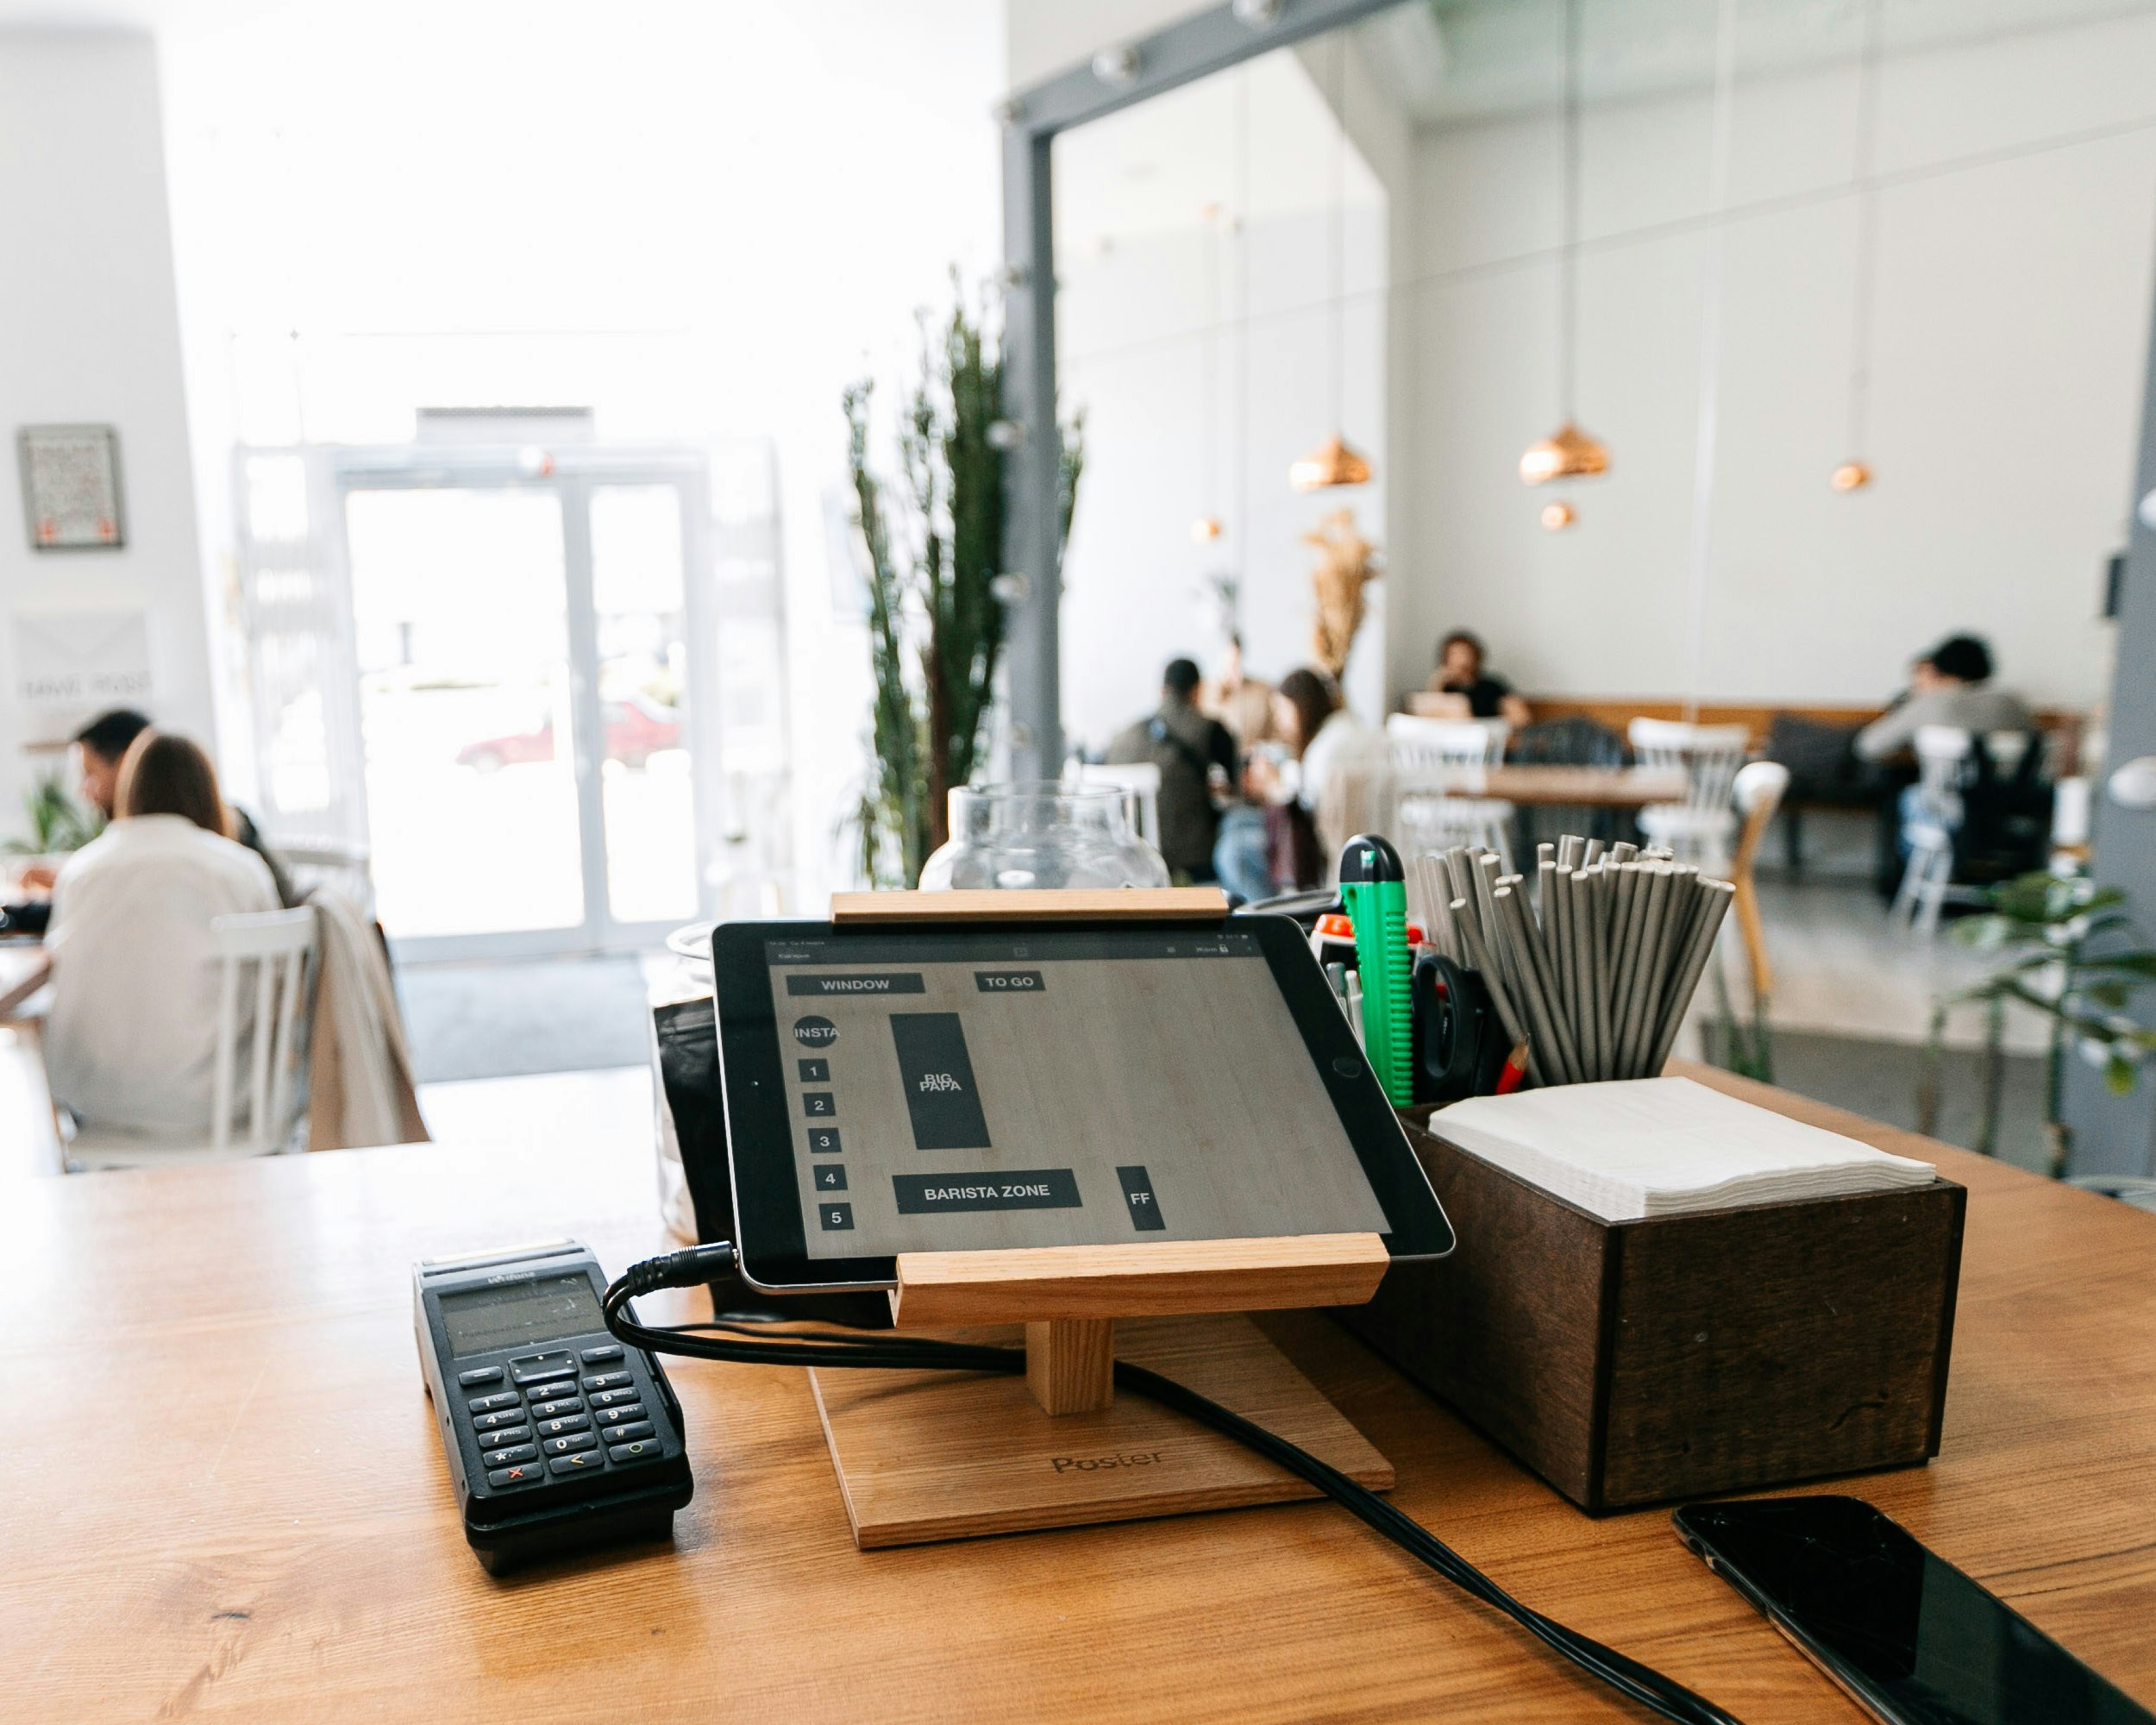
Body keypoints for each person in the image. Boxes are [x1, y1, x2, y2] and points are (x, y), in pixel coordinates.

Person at [43, 731, 284, 1142]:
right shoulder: (240, 868)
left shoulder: (80, 872)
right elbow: (280, 993)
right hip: (220, 1106)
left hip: (98, 1108)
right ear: (208, 793)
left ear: (130, 791)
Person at [15, 708, 295, 906]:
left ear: (130, 763)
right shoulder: (238, 863)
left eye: (90, 774)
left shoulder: (232, 847)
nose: (83, 791)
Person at [1105, 658, 1238, 882]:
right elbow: (1237, 784)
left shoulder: (1122, 737)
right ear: (1197, 691)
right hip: (1193, 860)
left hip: (1132, 860)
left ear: (1162, 691)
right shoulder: (1210, 729)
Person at [1249, 668, 1366, 891]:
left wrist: (1273, 785)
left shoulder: (1324, 749)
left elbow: (1308, 808)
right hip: (1343, 839)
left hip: (1320, 847)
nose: (1278, 720)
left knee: (1234, 848)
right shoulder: (1344, 727)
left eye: (1281, 710)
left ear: (1299, 706)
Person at [1854, 635, 2033, 762]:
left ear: (1940, 668)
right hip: (2012, 805)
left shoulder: (1930, 703)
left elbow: (1868, 746)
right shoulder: (2012, 703)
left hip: (1942, 807)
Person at [1424, 630, 1532, 729]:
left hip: (1488, 738)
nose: (1462, 660)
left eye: (1466, 654)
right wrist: (1437, 683)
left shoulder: (1492, 685)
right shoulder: (1443, 687)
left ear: (1476, 656)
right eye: (1454, 654)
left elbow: (1521, 717)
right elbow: (1429, 721)